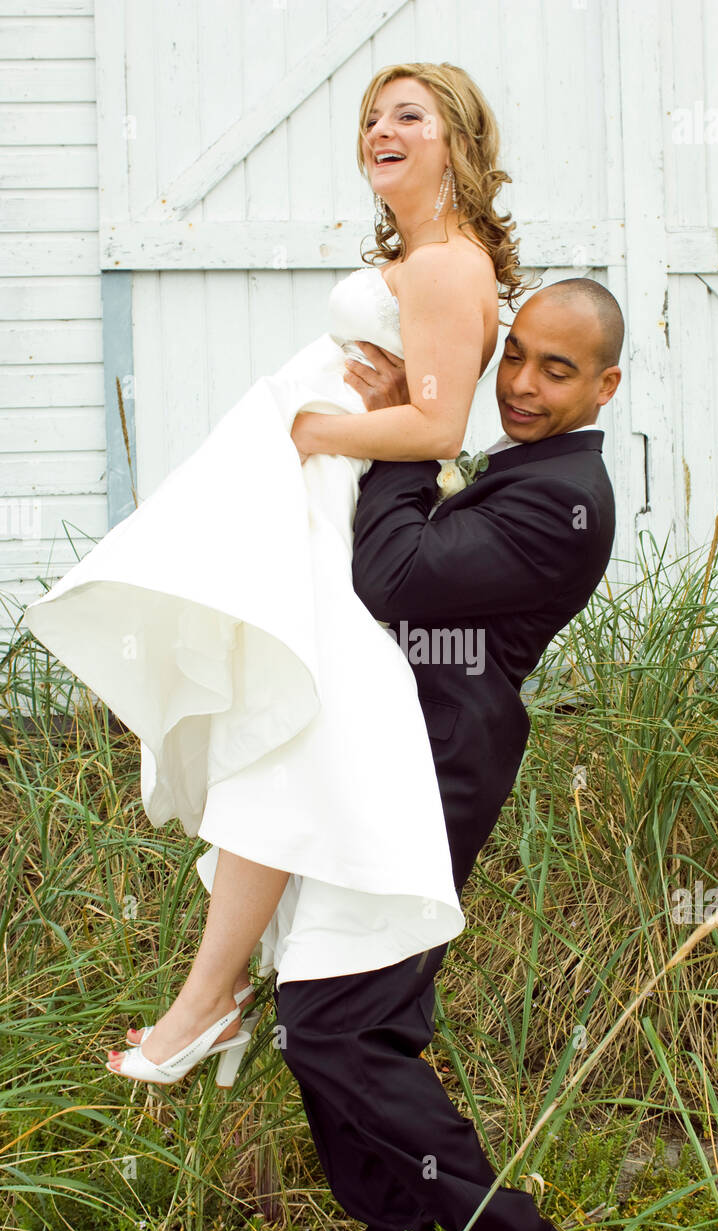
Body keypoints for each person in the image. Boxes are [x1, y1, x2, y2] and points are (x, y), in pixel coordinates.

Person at [21, 61, 525, 1085]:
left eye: (408, 116)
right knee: (273, 730)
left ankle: (210, 1001)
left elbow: (435, 425)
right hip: (317, 497)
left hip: (334, 504)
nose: (379, 131)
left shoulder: (443, 265)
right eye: (369, 117)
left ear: (457, 144)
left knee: (281, 728)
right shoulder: (429, 257)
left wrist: (309, 430)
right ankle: (211, 997)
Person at [274, 275, 622, 1231]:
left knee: (332, 1024)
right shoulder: (526, 470)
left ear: (603, 386)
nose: (517, 382)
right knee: (354, 1026)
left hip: (436, 766)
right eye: (513, 354)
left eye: (554, 370)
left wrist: (403, 436)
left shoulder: (565, 501)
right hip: (402, 750)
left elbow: (396, 574)